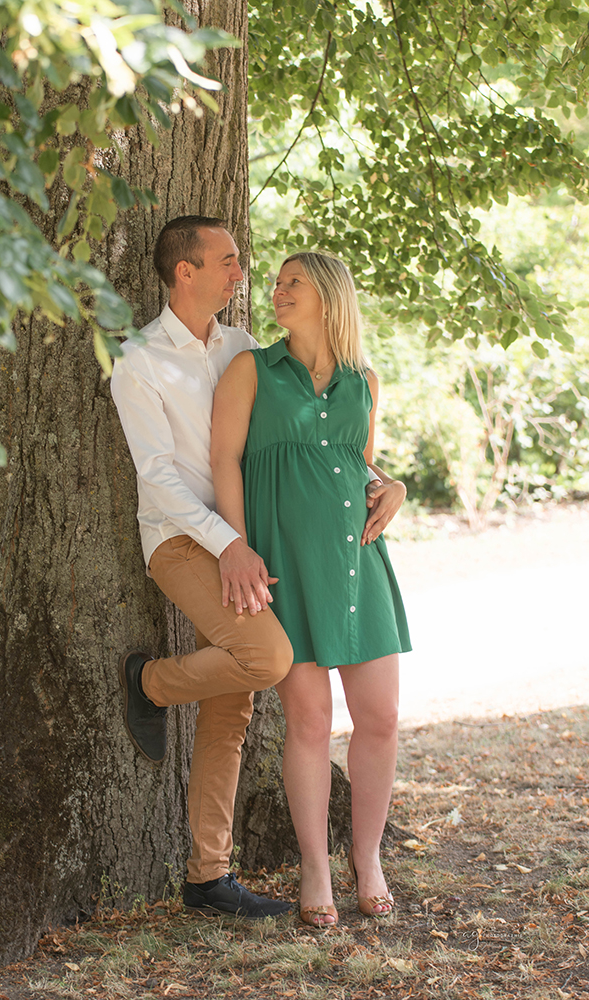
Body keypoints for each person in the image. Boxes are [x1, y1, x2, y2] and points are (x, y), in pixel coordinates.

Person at [211, 251, 411, 928]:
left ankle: (368, 858)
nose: (275, 291)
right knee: (308, 722)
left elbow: (354, 462)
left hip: (359, 566)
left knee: (379, 720)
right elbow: (223, 461)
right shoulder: (251, 370)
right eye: (276, 283)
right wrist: (235, 545)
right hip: (283, 567)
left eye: (291, 282)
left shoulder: (364, 382)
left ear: (327, 296)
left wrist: (396, 485)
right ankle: (315, 867)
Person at [110, 215, 293, 919]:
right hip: (181, 543)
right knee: (265, 658)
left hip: (243, 541)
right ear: (184, 271)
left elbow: (289, 437)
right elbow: (156, 477)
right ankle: (151, 683)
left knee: (233, 705)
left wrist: (374, 480)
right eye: (225, 261)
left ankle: (206, 878)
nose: (239, 274)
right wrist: (224, 543)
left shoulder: (242, 348)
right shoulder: (139, 358)